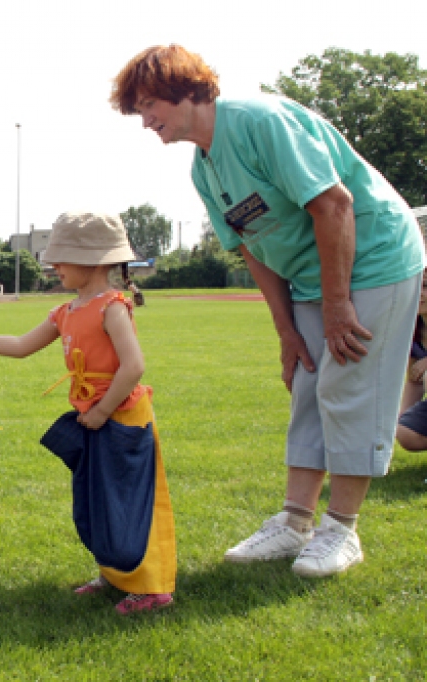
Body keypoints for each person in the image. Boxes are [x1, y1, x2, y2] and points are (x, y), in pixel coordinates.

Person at [111, 44, 424, 577]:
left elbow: (334, 205)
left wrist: (337, 304)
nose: (145, 122)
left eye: (147, 106)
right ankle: (295, 522)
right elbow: (252, 249)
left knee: (347, 385)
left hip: (374, 260)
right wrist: (286, 330)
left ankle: (341, 532)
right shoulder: (203, 168)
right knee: (308, 385)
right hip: (308, 277)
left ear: (182, 88)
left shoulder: (260, 121)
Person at [0, 212, 176, 615]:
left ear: (96, 260)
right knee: (98, 498)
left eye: (62, 259)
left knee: (132, 499)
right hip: (93, 416)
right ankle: (114, 574)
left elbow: (133, 367)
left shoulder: (112, 307)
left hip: (123, 416)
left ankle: (153, 587)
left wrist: (102, 411)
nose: (53, 266)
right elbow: (21, 344)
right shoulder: (66, 311)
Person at [396, 272, 427, 452]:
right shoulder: (412, 330)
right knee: (405, 433)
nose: (418, 293)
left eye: (425, 287)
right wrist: (401, 417)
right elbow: (414, 379)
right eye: (414, 286)